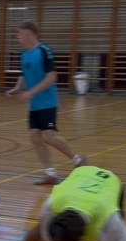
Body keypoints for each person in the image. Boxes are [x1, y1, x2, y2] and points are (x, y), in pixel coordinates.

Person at [6, 21, 87, 184]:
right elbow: (24, 74)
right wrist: (17, 87)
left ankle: (78, 159)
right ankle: (50, 173)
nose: (17, 37)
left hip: (48, 102)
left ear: (29, 34)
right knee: (35, 137)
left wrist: (32, 92)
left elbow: (51, 77)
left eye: (19, 34)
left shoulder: (44, 50)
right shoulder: (24, 54)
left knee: (49, 136)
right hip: (34, 104)